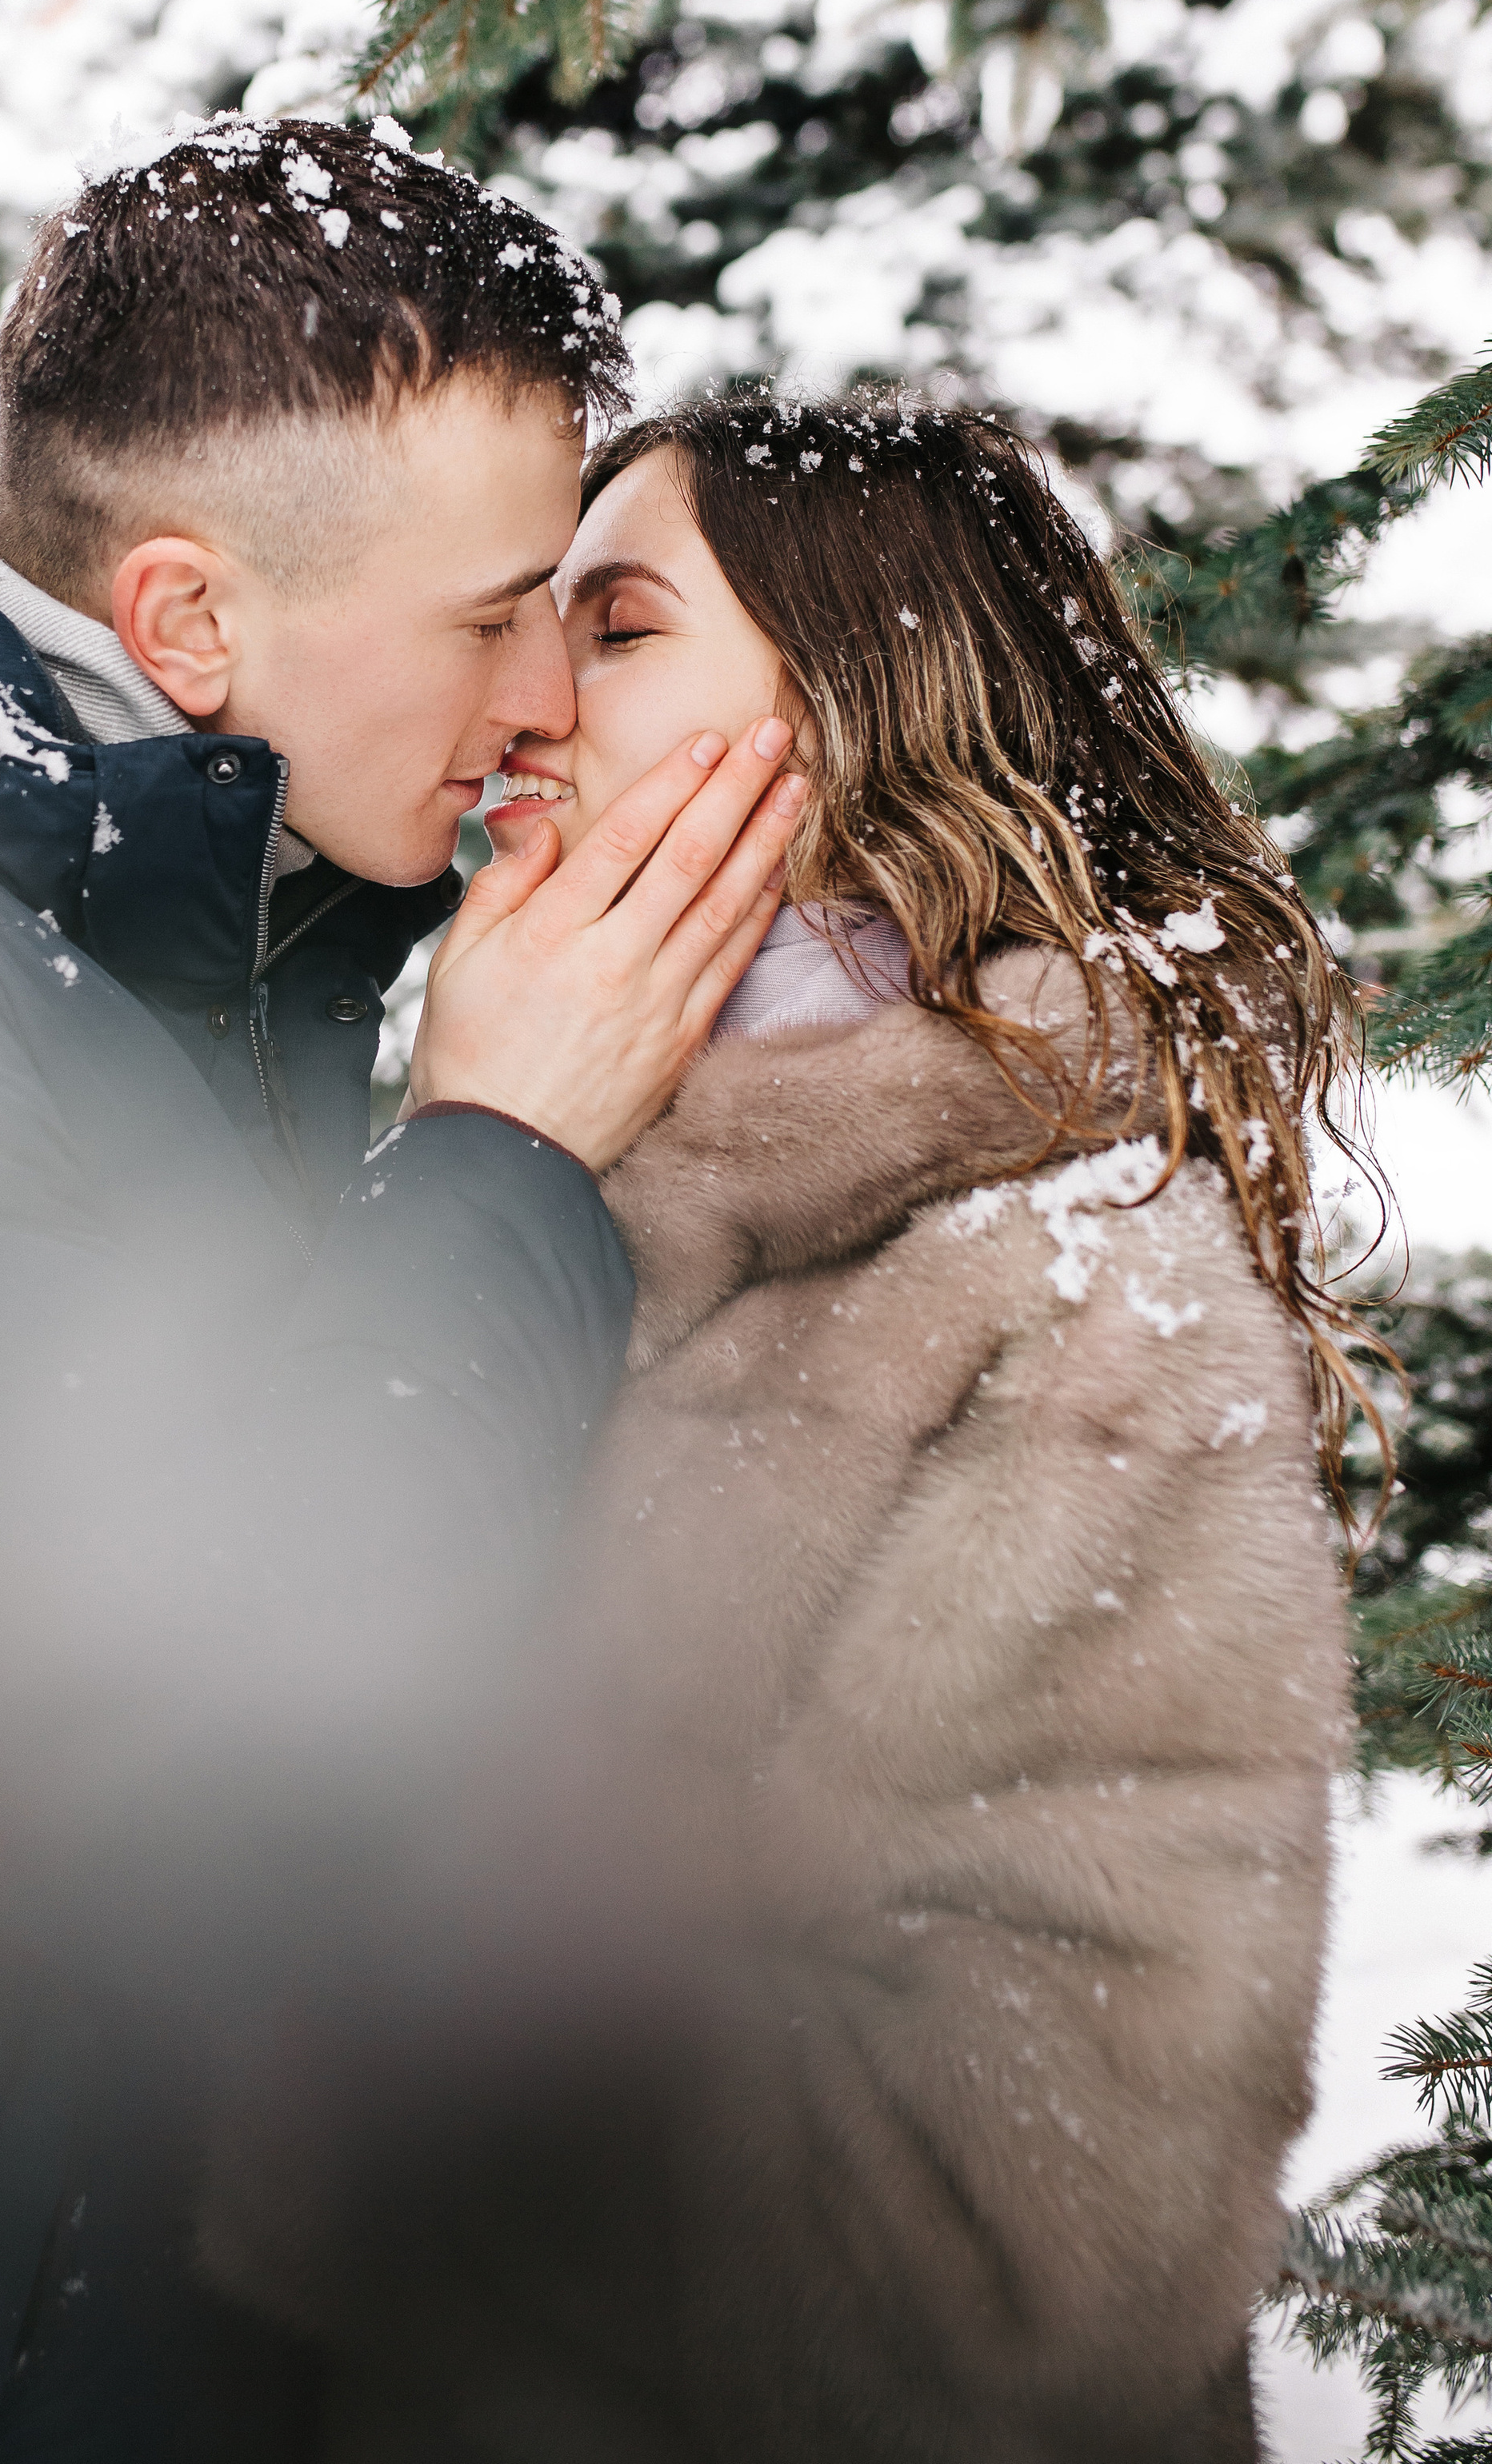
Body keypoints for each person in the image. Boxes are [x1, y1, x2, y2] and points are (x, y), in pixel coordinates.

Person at [0, 122, 805, 2464]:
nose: (540, 699)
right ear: (188, 620)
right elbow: (155, 1727)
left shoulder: (139, 860)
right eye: (496, 614)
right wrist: (503, 1157)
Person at [204, 389, 1363, 2462]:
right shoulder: (538, 1176)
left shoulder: (1077, 1288)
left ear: (863, 705)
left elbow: (1026, 2243)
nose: (531, 699)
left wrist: (284, 2059)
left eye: (621, 626)